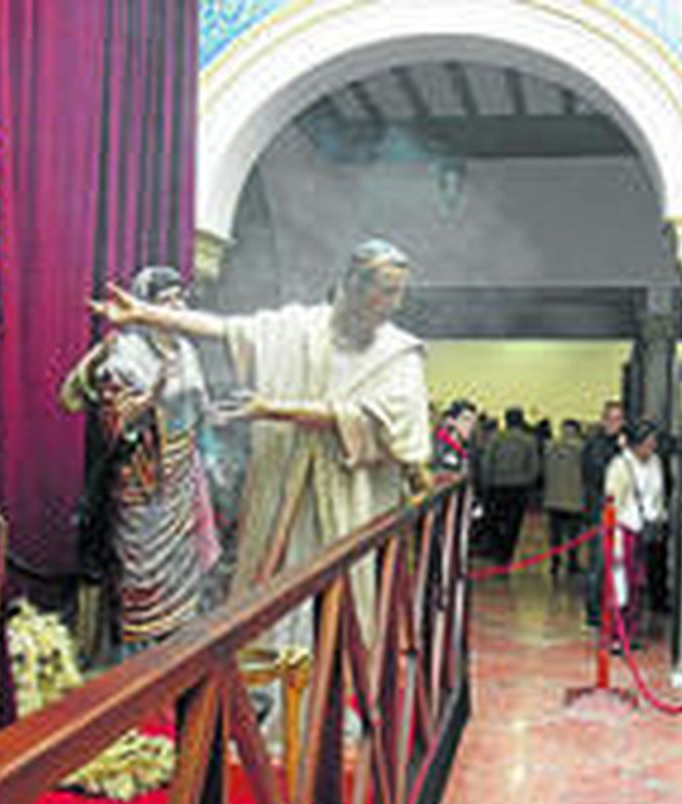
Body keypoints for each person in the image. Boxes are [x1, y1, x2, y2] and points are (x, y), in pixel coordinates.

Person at [90, 238, 431, 639]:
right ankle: (272, 687)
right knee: (279, 597)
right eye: (387, 290)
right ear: (353, 285)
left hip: (353, 497)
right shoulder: (299, 328)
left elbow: (381, 425)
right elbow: (225, 329)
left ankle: (342, 684)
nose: (394, 303)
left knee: (348, 605)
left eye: (399, 292)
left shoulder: (398, 353)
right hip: (284, 487)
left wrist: (274, 410)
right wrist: (145, 314)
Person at [59, 265, 221, 659]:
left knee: (184, 578)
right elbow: (112, 428)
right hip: (140, 481)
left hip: (183, 478)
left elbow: (200, 414)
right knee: (139, 577)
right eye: (166, 301)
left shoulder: (187, 352)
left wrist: (213, 455)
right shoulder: (124, 355)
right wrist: (148, 401)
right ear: (145, 307)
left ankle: (178, 660)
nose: (176, 307)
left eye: (180, 299)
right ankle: (134, 672)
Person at [602, 421, 664, 651]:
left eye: (653, 444)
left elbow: (658, 495)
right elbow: (612, 500)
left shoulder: (655, 463)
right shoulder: (620, 465)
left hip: (645, 528)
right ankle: (617, 634)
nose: (651, 449)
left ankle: (632, 631)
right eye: (647, 444)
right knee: (621, 583)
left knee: (639, 583)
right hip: (623, 528)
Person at [581, 400, 626, 626]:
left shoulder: (621, 446)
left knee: (615, 565)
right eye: (611, 419)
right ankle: (593, 612)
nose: (614, 424)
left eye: (619, 419)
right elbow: (599, 476)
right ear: (603, 420)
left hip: (619, 513)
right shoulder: (596, 446)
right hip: (599, 512)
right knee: (597, 565)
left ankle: (612, 609)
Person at [480, 407, 541, 565]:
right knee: (514, 523)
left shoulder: (495, 438)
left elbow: (487, 462)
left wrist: (486, 482)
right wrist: (528, 482)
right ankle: (507, 552)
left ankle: (498, 549)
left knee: (495, 520)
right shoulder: (529, 440)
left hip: (497, 486)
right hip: (519, 487)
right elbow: (534, 465)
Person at [543, 419, 586, 576]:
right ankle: (572, 562)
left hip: (553, 498)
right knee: (573, 534)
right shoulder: (582, 449)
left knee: (555, 535)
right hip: (575, 499)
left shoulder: (549, 447)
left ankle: (555, 562)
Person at [432, 398, 477, 475]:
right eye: (466, 420)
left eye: (474, 422)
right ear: (452, 421)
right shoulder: (442, 448)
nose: (470, 426)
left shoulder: (468, 447)